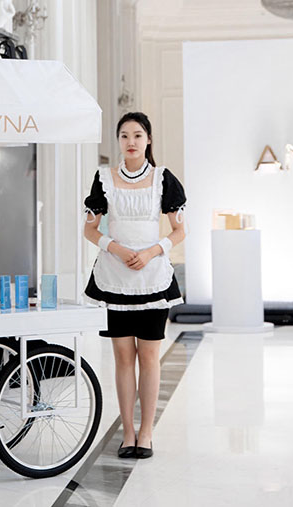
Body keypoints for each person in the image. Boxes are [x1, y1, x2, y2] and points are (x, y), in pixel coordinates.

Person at [83, 112, 187, 459]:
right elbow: (90, 230)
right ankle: (127, 432)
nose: (131, 141)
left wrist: (151, 252)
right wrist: (117, 249)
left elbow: (180, 230)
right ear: (118, 140)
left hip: (153, 277)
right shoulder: (103, 179)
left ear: (148, 140)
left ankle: (146, 433)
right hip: (115, 278)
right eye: (125, 135)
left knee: (150, 357)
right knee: (123, 358)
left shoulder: (163, 179)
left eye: (138, 135)